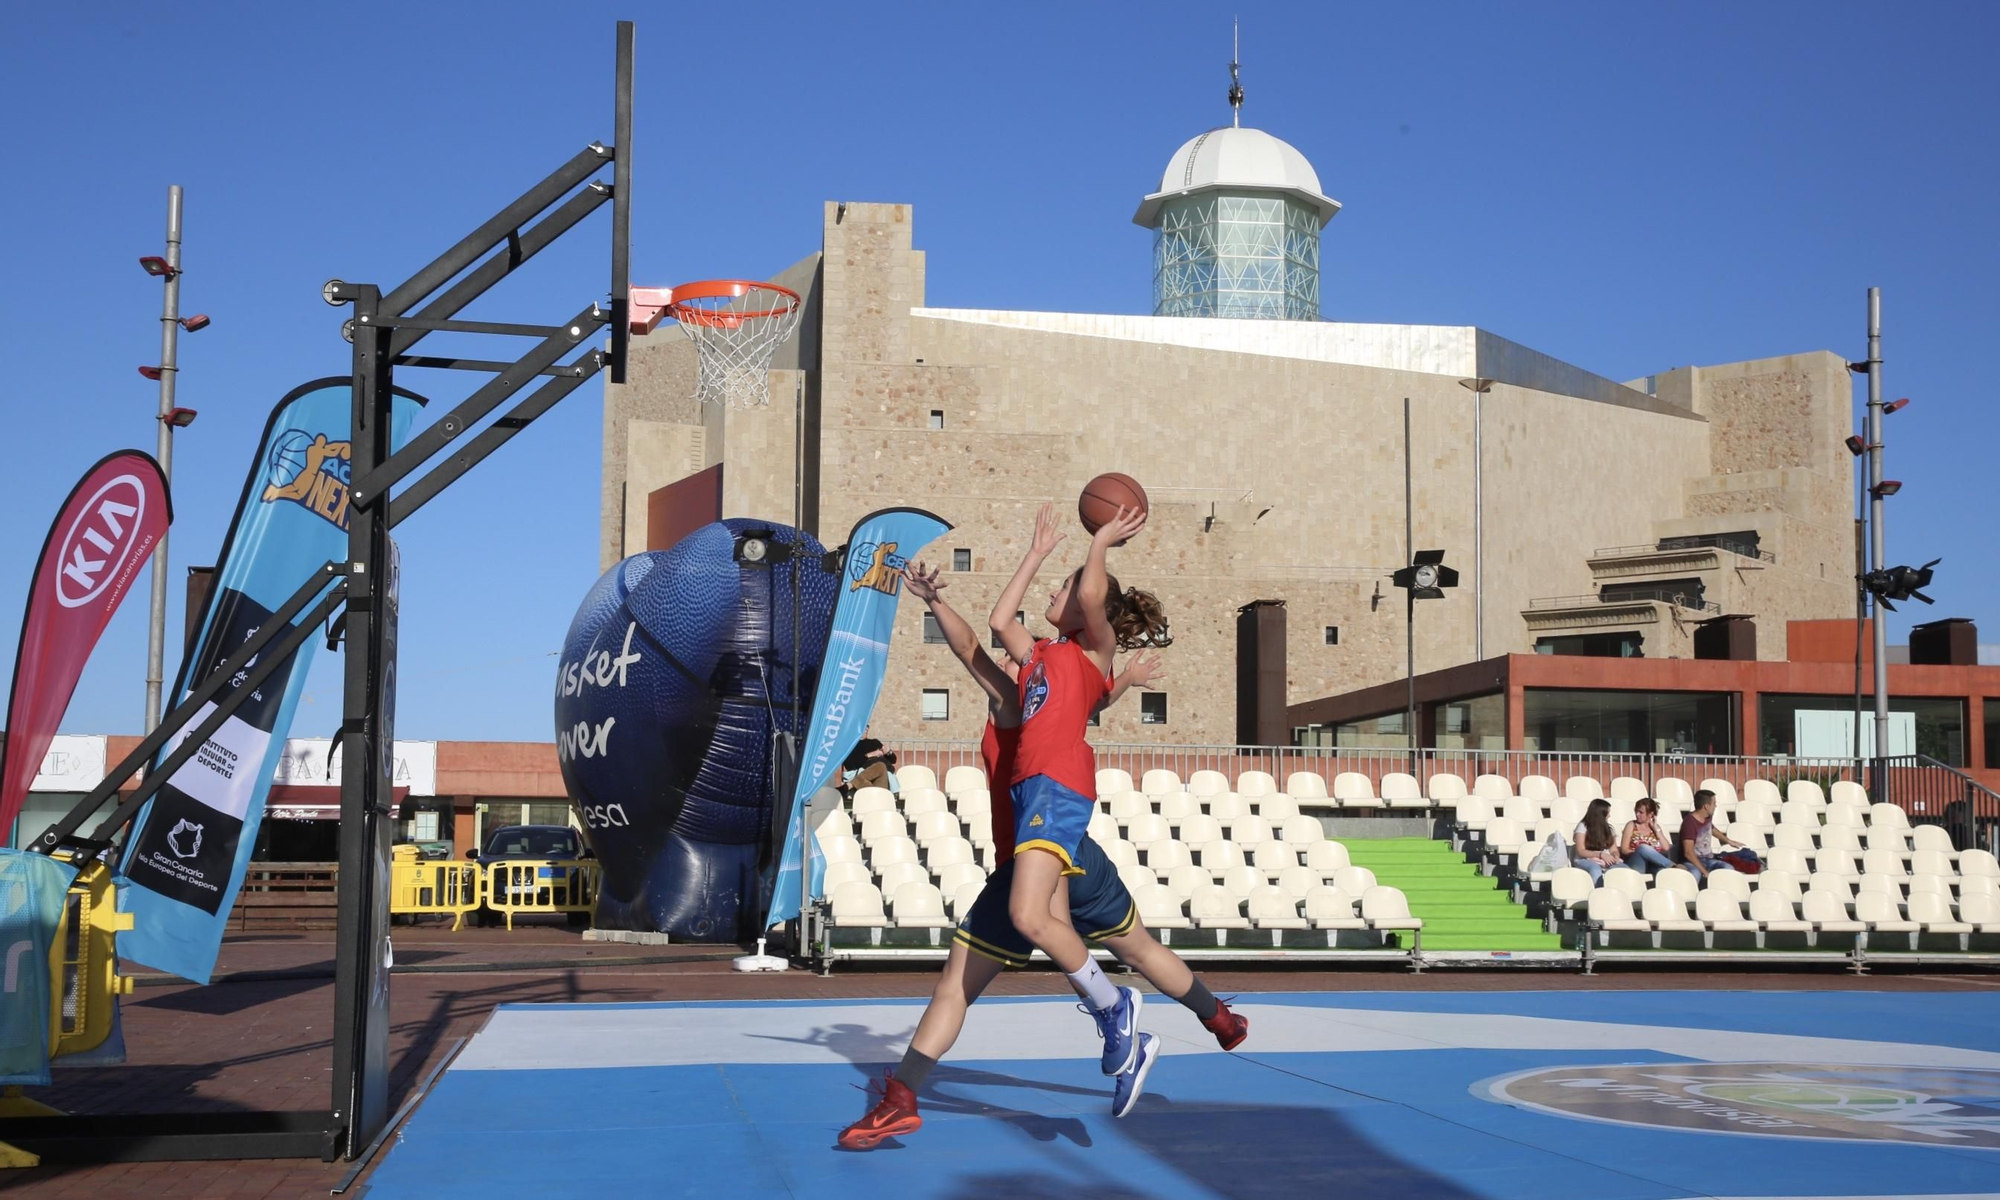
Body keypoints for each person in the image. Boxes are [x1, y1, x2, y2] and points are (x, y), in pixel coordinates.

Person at [838, 559, 1240, 1149]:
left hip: (1043, 841)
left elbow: (988, 647)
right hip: (1068, 848)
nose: (1018, 656)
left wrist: (1082, 564)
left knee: (974, 970)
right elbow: (986, 650)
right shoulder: (1028, 693)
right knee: (1134, 944)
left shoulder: (1019, 698)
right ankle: (1219, 1019)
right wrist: (934, 602)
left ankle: (1111, 1014)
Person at [1676, 789, 1744, 883]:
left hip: (1708, 859)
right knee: (1695, 873)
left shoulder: (1707, 817)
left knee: (1728, 869)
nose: (1715, 806)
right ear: (1706, 806)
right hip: (1692, 861)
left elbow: (1711, 828)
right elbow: (1688, 853)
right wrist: (1704, 871)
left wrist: (1728, 841)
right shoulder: (1689, 824)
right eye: (1714, 803)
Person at [1570, 798, 1627, 883]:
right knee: (1595, 869)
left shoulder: (1609, 829)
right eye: (1608, 813)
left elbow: (1613, 849)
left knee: (1624, 869)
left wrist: (1615, 856)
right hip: (1585, 859)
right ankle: (1598, 893)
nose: (1609, 815)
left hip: (1605, 859)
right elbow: (1581, 851)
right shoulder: (1582, 827)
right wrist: (1600, 855)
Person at [1620, 798, 1674, 874]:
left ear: (1650, 814)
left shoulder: (1655, 828)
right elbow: (1624, 850)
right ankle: (1672, 865)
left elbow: (1666, 847)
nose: (1637, 814)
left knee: (1662, 872)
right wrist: (1642, 852)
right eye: (1636, 811)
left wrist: (1655, 829)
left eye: (1641, 812)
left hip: (1653, 863)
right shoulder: (1631, 825)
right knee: (1643, 848)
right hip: (1636, 862)